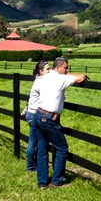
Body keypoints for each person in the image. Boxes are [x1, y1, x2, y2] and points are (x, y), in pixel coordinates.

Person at [33, 57, 88, 189]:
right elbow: (80, 78)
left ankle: (42, 182)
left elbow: (66, 76)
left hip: (38, 114)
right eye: (65, 67)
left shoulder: (46, 76)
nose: (67, 70)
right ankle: (57, 181)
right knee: (62, 148)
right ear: (58, 68)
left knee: (42, 149)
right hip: (48, 119)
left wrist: (67, 74)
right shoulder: (60, 79)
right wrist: (84, 75)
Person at [24, 60, 49, 172]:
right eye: (47, 69)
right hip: (34, 114)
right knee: (33, 141)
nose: (49, 71)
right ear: (40, 71)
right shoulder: (41, 82)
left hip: (32, 113)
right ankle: (30, 167)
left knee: (34, 141)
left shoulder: (38, 80)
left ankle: (33, 165)